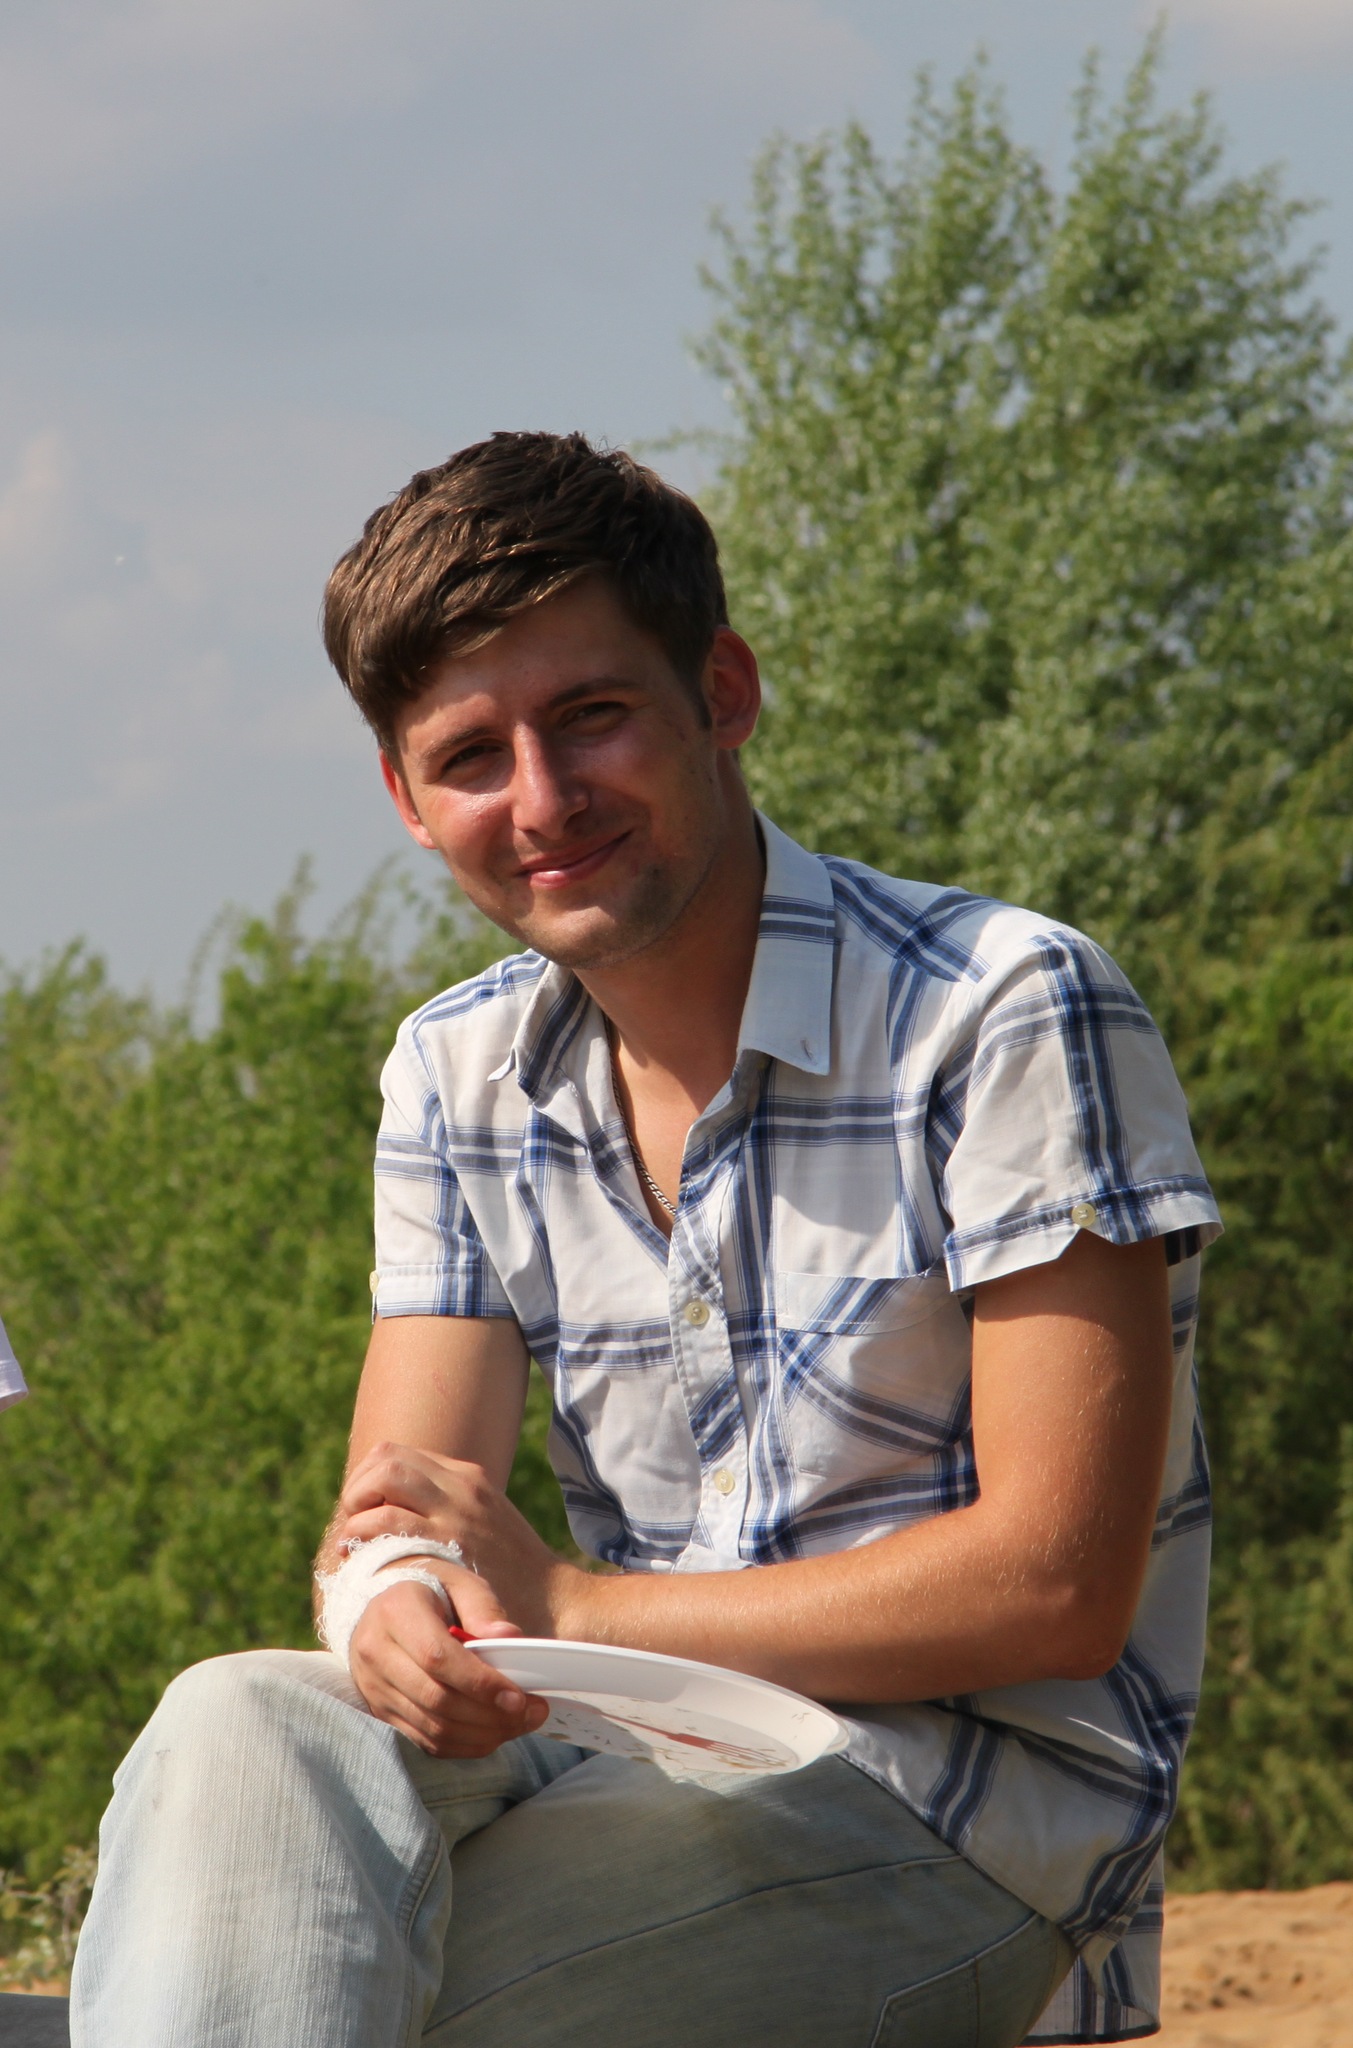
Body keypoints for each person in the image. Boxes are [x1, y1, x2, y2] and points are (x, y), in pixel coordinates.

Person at [71, 432, 1220, 2047]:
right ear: (407, 801)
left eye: (591, 716)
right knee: (244, 1714)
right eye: (471, 756)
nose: (542, 801)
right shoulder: (453, 1069)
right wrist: (395, 1612)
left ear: (721, 694)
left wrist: (576, 1607)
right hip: (621, 1749)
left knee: (355, 2003)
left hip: (954, 1808)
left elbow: (1056, 1587)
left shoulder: (1002, 1008)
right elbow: (399, 1508)